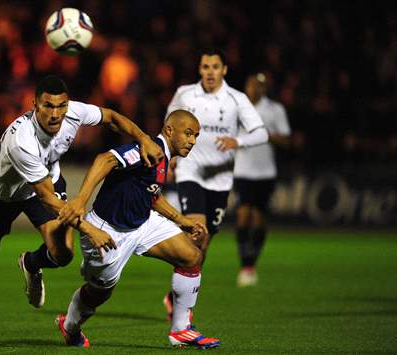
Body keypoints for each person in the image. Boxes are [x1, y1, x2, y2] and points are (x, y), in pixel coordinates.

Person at [0, 75, 164, 348]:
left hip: (46, 181)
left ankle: (32, 264)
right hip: (2, 193)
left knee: (63, 254)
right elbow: (47, 198)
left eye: (61, 106)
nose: (55, 113)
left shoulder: (73, 112)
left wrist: (143, 138)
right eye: (48, 106)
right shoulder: (22, 140)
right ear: (34, 104)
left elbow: (110, 116)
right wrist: (89, 229)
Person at [56, 110, 220, 349]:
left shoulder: (163, 157)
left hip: (142, 223)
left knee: (192, 256)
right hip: (106, 231)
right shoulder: (149, 148)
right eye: (188, 133)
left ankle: (181, 330)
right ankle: (69, 325)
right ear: (169, 130)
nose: (192, 141)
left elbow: (150, 193)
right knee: (99, 292)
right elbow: (105, 159)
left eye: (195, 136)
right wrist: (81, 199)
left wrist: (179, 219)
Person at [162, 48, 268, 316]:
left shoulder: (236, 99)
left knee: (203, 245)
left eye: (215, 67)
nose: (210, 72)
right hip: (191, 171)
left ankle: (175, 295)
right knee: (198, 231)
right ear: (199, 69)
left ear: (224, 70)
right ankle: (182, 306)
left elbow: (262, 133)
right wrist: (170, 158)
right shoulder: (185, 94)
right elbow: (169, 126)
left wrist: (238, 141)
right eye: (205, 67)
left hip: (221, 180)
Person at [233, 73, 291, 287]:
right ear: (246, 86)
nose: (255, 88)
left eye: (259, 85)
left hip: (265, 172)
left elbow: (286, 140)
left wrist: (266, 135)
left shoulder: (275, 110)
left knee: (258, 219)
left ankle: (250, 265)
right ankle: (244, 263)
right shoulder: (237, 109)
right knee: (242, 216)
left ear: (264, 88)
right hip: (242, 171)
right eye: (251, 84)